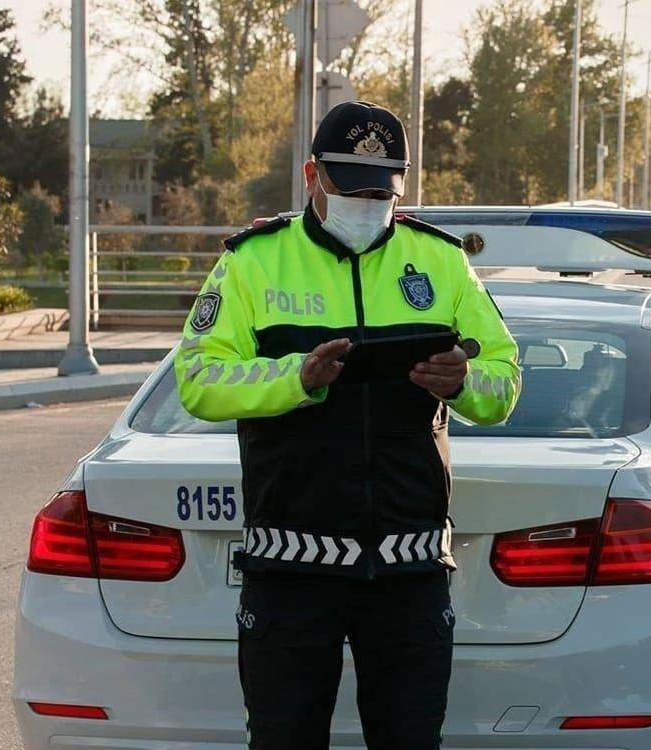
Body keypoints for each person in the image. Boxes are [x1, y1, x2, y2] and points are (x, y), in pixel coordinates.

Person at [174, 100, 521, 750]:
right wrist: (296, 379)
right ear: (312, 176)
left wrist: (463, 382)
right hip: (290, 570)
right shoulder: (254, 261)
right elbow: (197, 378)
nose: (367, 205)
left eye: (380, 194)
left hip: (408, 570)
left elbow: (503, 379)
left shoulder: (440, 261)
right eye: (352, 190)